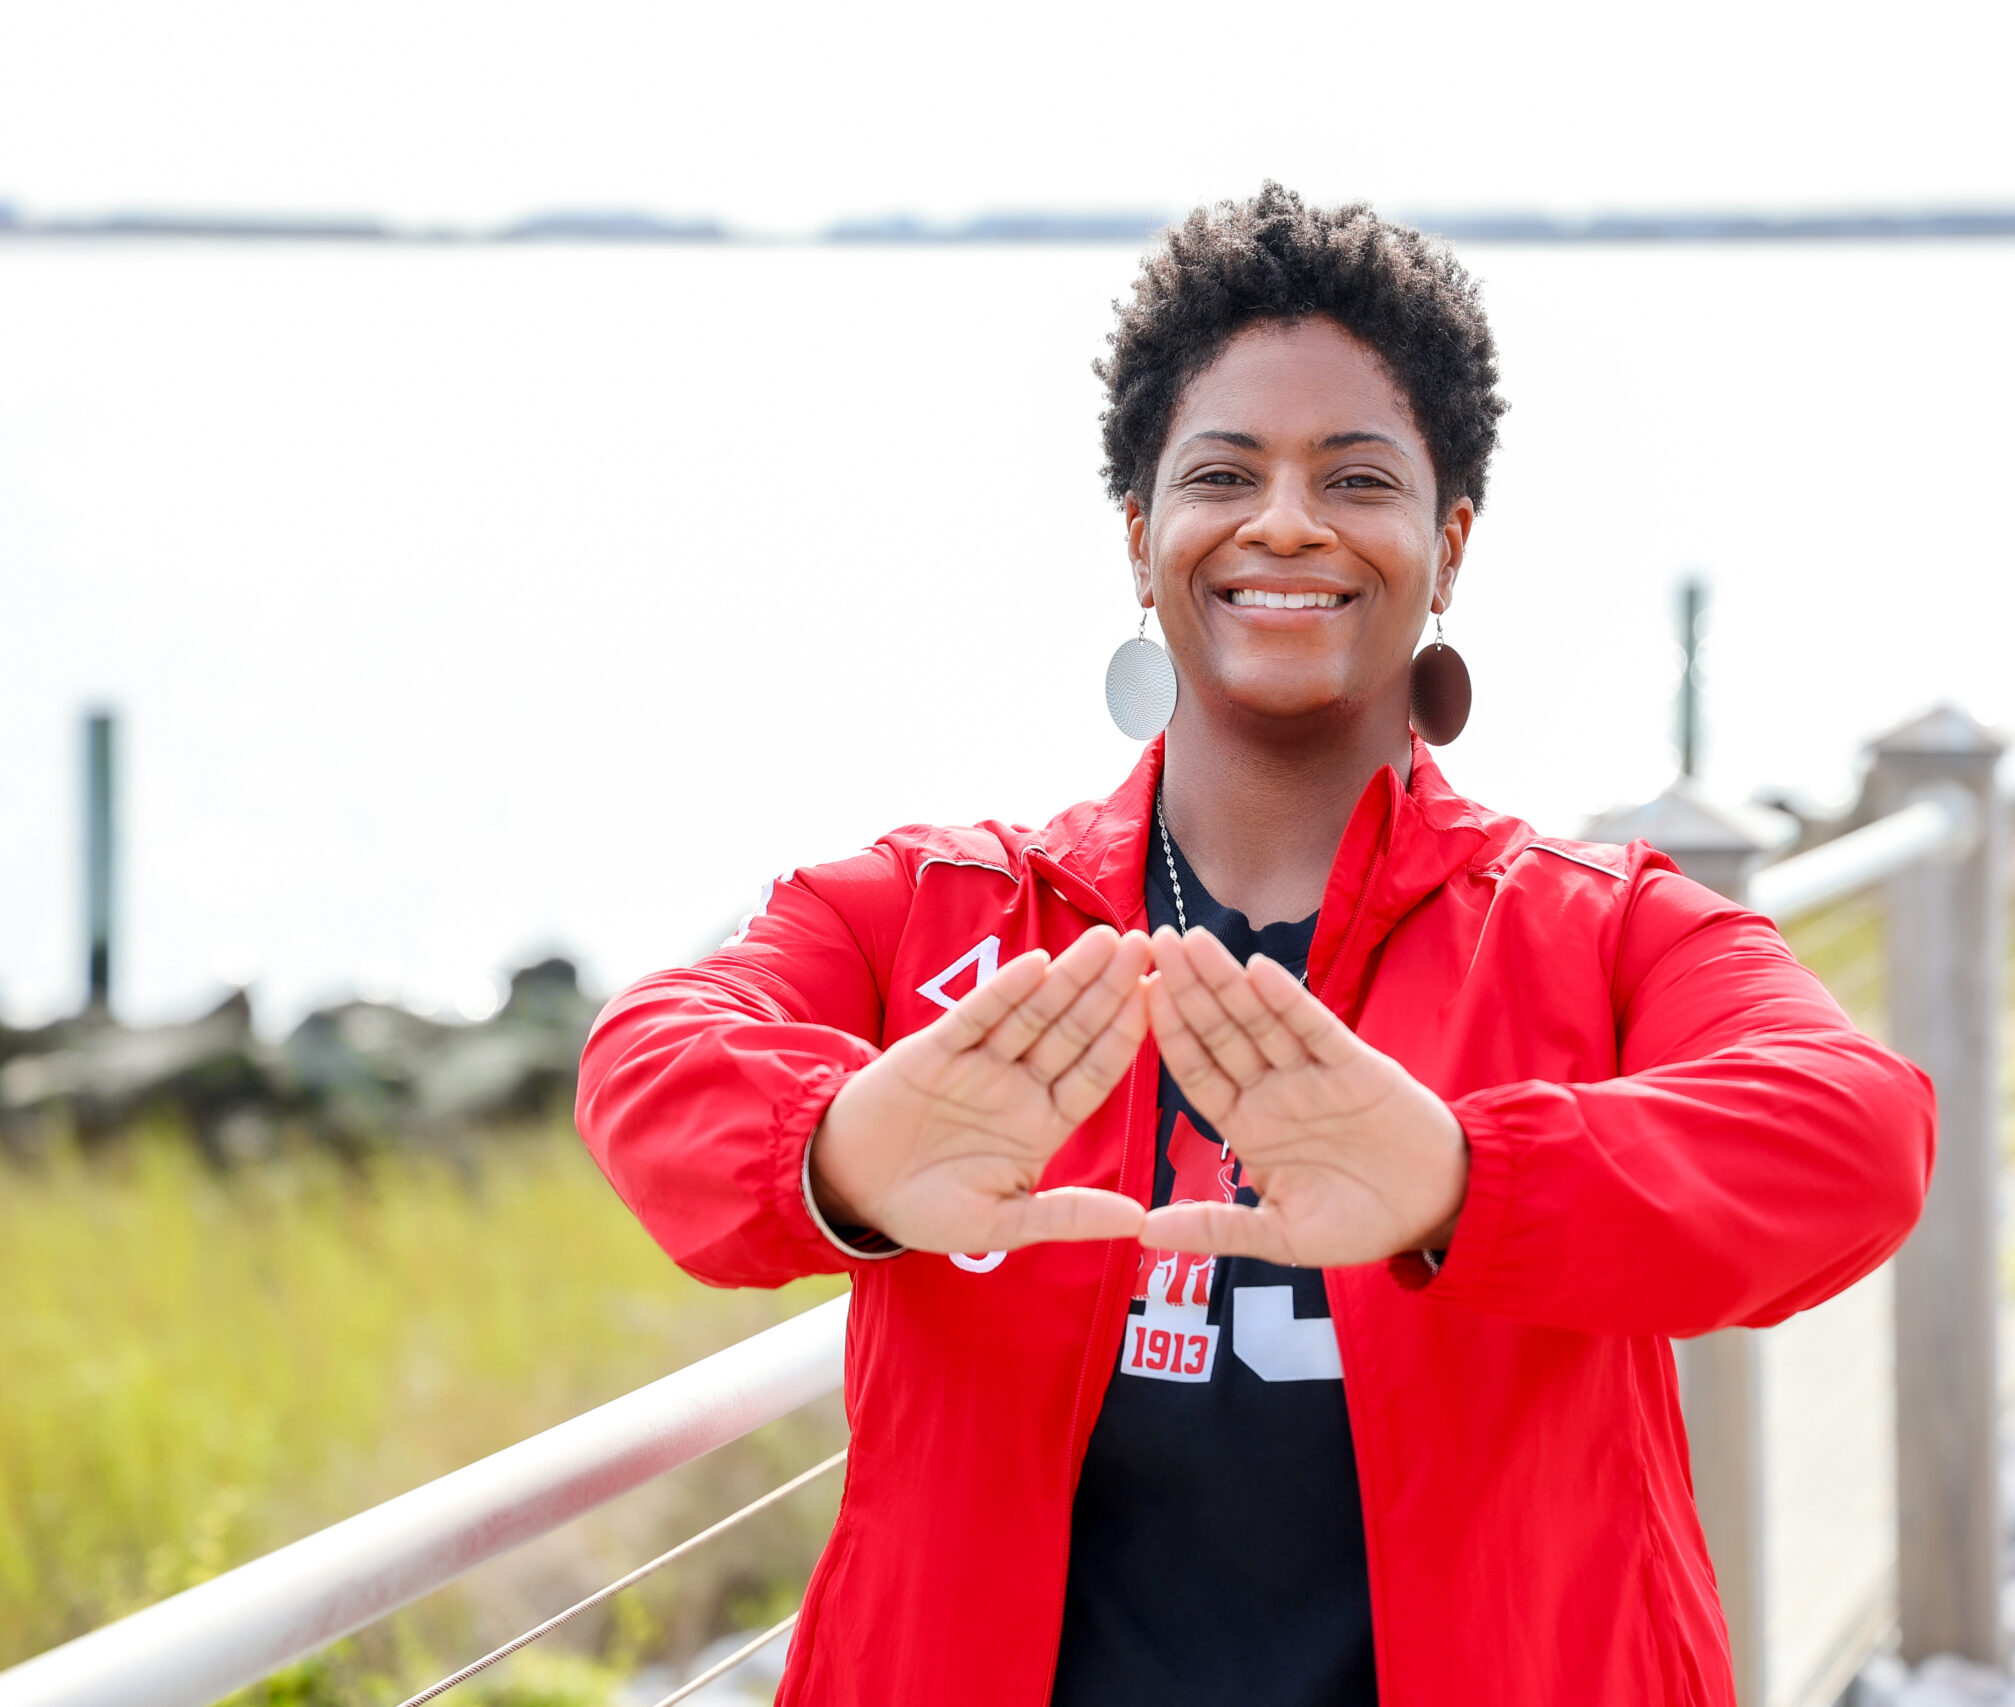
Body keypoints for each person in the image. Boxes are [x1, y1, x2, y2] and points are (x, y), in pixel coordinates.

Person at [577, 183, 1935, 1707]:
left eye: (1357, 477)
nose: (1286, 519)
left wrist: (1467, 1183)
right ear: (1143, 533)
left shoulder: (1594, 928)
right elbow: (649, 1057)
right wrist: (833, 1151)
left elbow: (1859, 1133)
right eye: (1227, 472)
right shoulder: (937, 915)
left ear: (1450, 541)